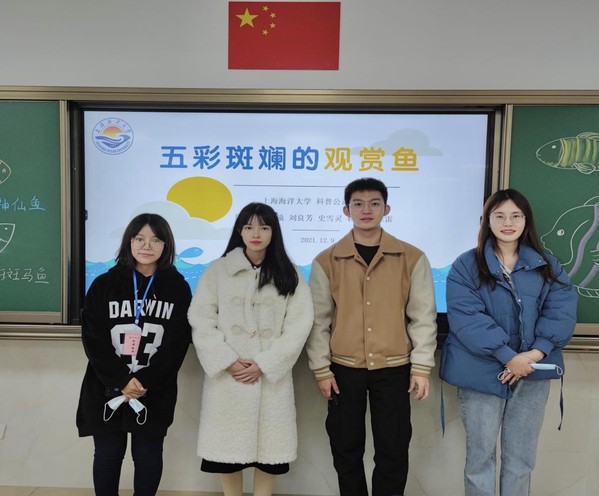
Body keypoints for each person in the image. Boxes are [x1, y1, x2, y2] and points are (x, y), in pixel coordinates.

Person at [440, 189, 578, 496]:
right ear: (486, 221)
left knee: (521, 459)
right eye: (499, 216)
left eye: (516, 216)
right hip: (480, 373)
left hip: (533, 372)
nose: (508, 223)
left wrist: (532, 355)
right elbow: (467, 318)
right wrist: (508, 356)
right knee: (480, 459)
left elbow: (561, 312)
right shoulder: (466, 265)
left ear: (526, 221)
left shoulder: (547, 265)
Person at [306, 177, 438, 496]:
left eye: (374, 203)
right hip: (342, 370)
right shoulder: (326, 261)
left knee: (393, 450)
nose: (366, 210)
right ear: (346, 210)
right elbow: (318, 321)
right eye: (358, 204)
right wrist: (321, 369)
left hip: (394, 368)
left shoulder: (411, 257)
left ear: (386, 209)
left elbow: (422, 317)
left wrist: (421, 367)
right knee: (345, 449)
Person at [188, 202, 313, 496]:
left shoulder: (289, 273)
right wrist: (226, 360)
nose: (256, 234)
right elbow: (200, 318)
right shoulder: (218, 271)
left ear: (273, 232)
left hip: (270, 379)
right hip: (228, 378)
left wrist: (267, 363)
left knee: (271, 454)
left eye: (264, 227)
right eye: (249, 227)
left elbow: (300, 324)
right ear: (239, 231)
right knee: (225, 453)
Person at [76, 213, 192, 496]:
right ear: (129, 241)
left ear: (166, 245)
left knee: (148, 455)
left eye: (155, 240)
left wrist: (144, 381)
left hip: (154, 388)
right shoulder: (104, 284)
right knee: (108, 454)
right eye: (139, 238)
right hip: (106, 387)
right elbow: (93, 338)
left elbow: (178, 342)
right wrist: (120, 380)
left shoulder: (177, 288)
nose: (146, 246)